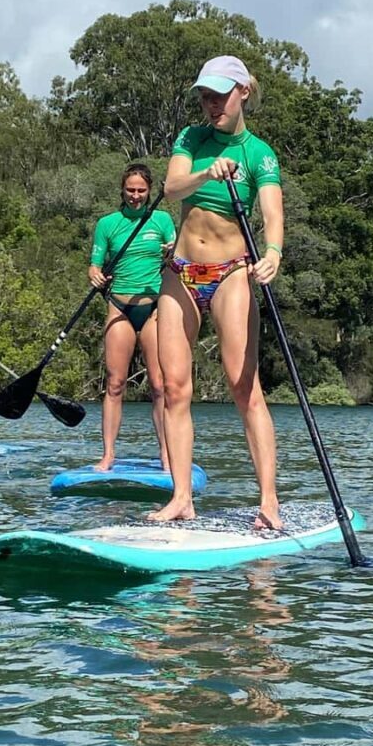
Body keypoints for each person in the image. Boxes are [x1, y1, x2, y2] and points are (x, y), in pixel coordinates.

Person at [149, 55, 284, 527]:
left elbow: (272, 213)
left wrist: (273, 252)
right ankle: (181, 498)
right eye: (206, 97)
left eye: (220, 96)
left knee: (243, 387)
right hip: (181, 271)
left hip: (231, 273)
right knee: (173, 388)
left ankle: (269, 502)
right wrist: (206, 173)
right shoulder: (192, 139)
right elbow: (171, 188)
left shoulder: (259, 154)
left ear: (243, 92)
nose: (212, 105)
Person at [88, 163, 177, 471]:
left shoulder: (162, 220)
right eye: (130, 190)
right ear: (122, 190)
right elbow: (94, 265)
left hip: (154, 309)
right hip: (119, 307)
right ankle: (108, 455)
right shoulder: (107, 224)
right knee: (115, 384)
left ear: (149, 191)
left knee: (159, 385)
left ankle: (167, 454)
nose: (135, 196)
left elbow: (179, 256)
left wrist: (172, 251)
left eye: (141, 190)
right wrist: (95, 274)